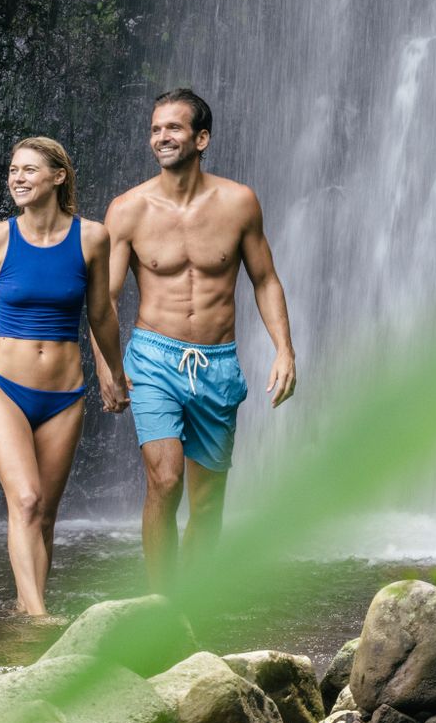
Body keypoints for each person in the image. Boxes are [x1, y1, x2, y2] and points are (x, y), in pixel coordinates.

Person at [0, 136, 129, 617]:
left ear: (59, 176)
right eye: (13, 169)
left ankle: (24, 606)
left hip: (65, 395)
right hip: (3, 390)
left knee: (46, 516)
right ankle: (39, 625)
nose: (17, 178)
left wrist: (115, 374)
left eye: (29, 170)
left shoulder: (92, 237)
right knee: (28, 499)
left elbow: (101, 314)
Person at [106, 88, 297, 589]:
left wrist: (284, 349)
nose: (161, 137)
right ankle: (158, 605)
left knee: (208, 505)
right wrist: (106, 366)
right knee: (165, 481)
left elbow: (265, 279)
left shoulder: (238, 203)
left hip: (218, 363)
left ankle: (188, 607)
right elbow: (101, 300)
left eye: (173, 128)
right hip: (152, 359)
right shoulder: (128, 210)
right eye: (154, 129)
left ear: (202, 138)